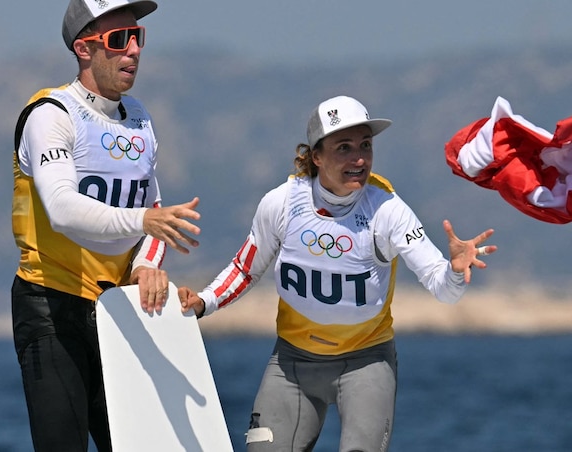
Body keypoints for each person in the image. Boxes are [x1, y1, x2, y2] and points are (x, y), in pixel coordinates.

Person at [178, 95, 497, 451]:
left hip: (366, 363)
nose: (359, 158)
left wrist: (454, 271)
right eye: (343, 147)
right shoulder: (281, 203)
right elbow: (244, 269)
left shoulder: (388, 210)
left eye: (365, 145)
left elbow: (444, 289)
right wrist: (203, 302)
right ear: (316, 156)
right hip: (293, 364)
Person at [11, 1, 201, 450]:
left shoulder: (140, 118)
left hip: (117, 310)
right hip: (51, 306)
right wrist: (145, 221)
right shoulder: (50, 114)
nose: (133, 50)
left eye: (138, 37)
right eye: (118, 40)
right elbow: (62, 207)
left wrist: (146, 265)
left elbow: (152, 212)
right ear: (83, 49)